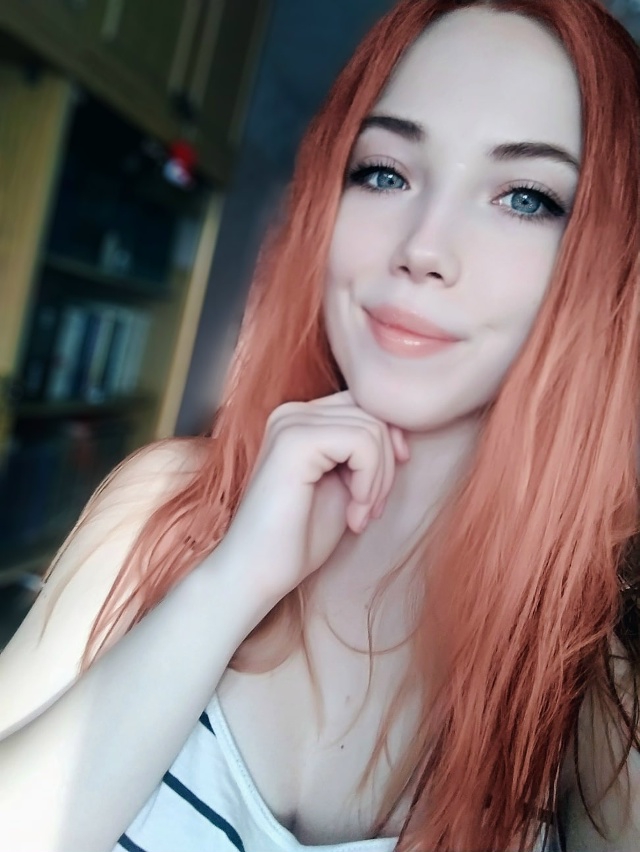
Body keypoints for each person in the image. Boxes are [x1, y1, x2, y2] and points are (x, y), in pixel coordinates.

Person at [1, 0, 639, 849]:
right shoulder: (159, 510)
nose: (422, 247)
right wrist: (230, 583)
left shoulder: (591, 699)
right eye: (385, 173)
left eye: (525, 197)